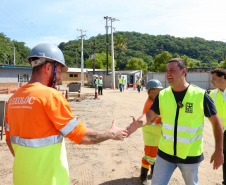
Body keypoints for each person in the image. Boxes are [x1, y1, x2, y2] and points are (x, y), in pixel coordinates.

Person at [4, 43, 127, 185]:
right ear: (48, 67)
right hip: (47, 180)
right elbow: (80, 136)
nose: (60, 77)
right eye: (59, 71)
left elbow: (9, 140)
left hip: (21, 177)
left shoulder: (13, 99)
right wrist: (112, 133)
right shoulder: (50, 96)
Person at [127, 58, 224, 185]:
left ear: (183, 71)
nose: (168, 73)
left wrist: (219, 150)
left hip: (190, 155)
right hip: (164, 154)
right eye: (167, 70)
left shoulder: (200, 95)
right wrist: (138, 124)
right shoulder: (162, 95)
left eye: (172, 70)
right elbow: (149, 115)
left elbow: (216, 123)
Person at [139, 79, 163, 185]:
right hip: (151, 134)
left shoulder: (155, 102)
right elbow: (159, 119)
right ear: (151, 91)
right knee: (149, 156)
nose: (160, 93)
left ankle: (154, 173)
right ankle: (143, 177)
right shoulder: (150, 104)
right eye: (158, 91)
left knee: (155, 155)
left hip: (155, 134)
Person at [209, 68, 226, 185]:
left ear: (223, 78)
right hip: (222, 132)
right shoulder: (212, 94)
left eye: (214, 79)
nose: (212, 81)